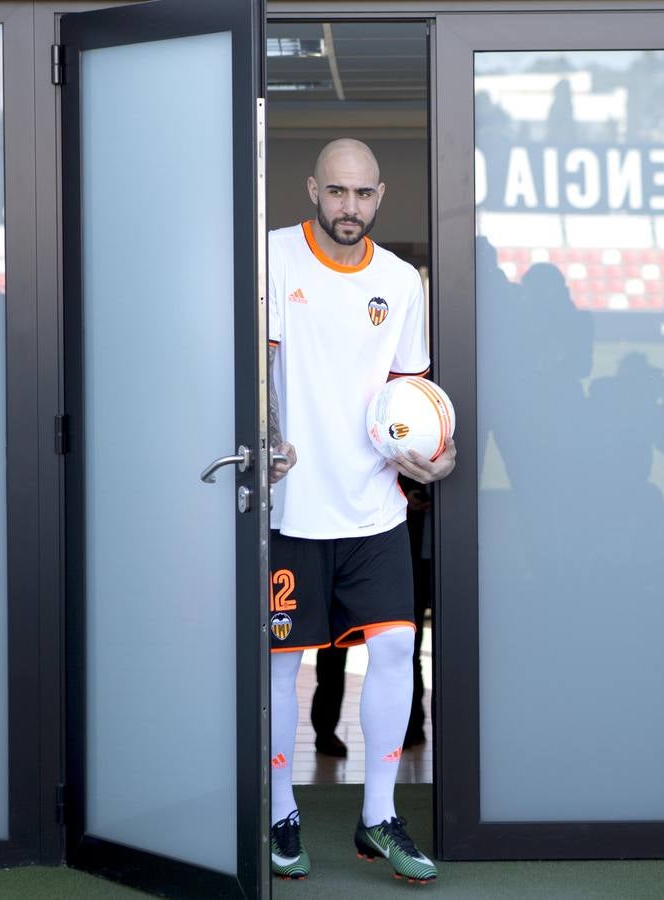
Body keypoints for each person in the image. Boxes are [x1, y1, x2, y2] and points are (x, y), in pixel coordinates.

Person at [266, 138, 456, 884]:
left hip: (375, 506)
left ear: (381, 196)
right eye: (337, 192)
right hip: (290, 506)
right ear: (314, 189)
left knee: (392, 653)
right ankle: (282, 810)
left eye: (364, 194)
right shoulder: (274, 256)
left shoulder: (401, 280)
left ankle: (377, 814)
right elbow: (248, 366)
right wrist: (264, 436)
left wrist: (434, 458)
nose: (351, 207)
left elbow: (411, 392)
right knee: (282, 668)